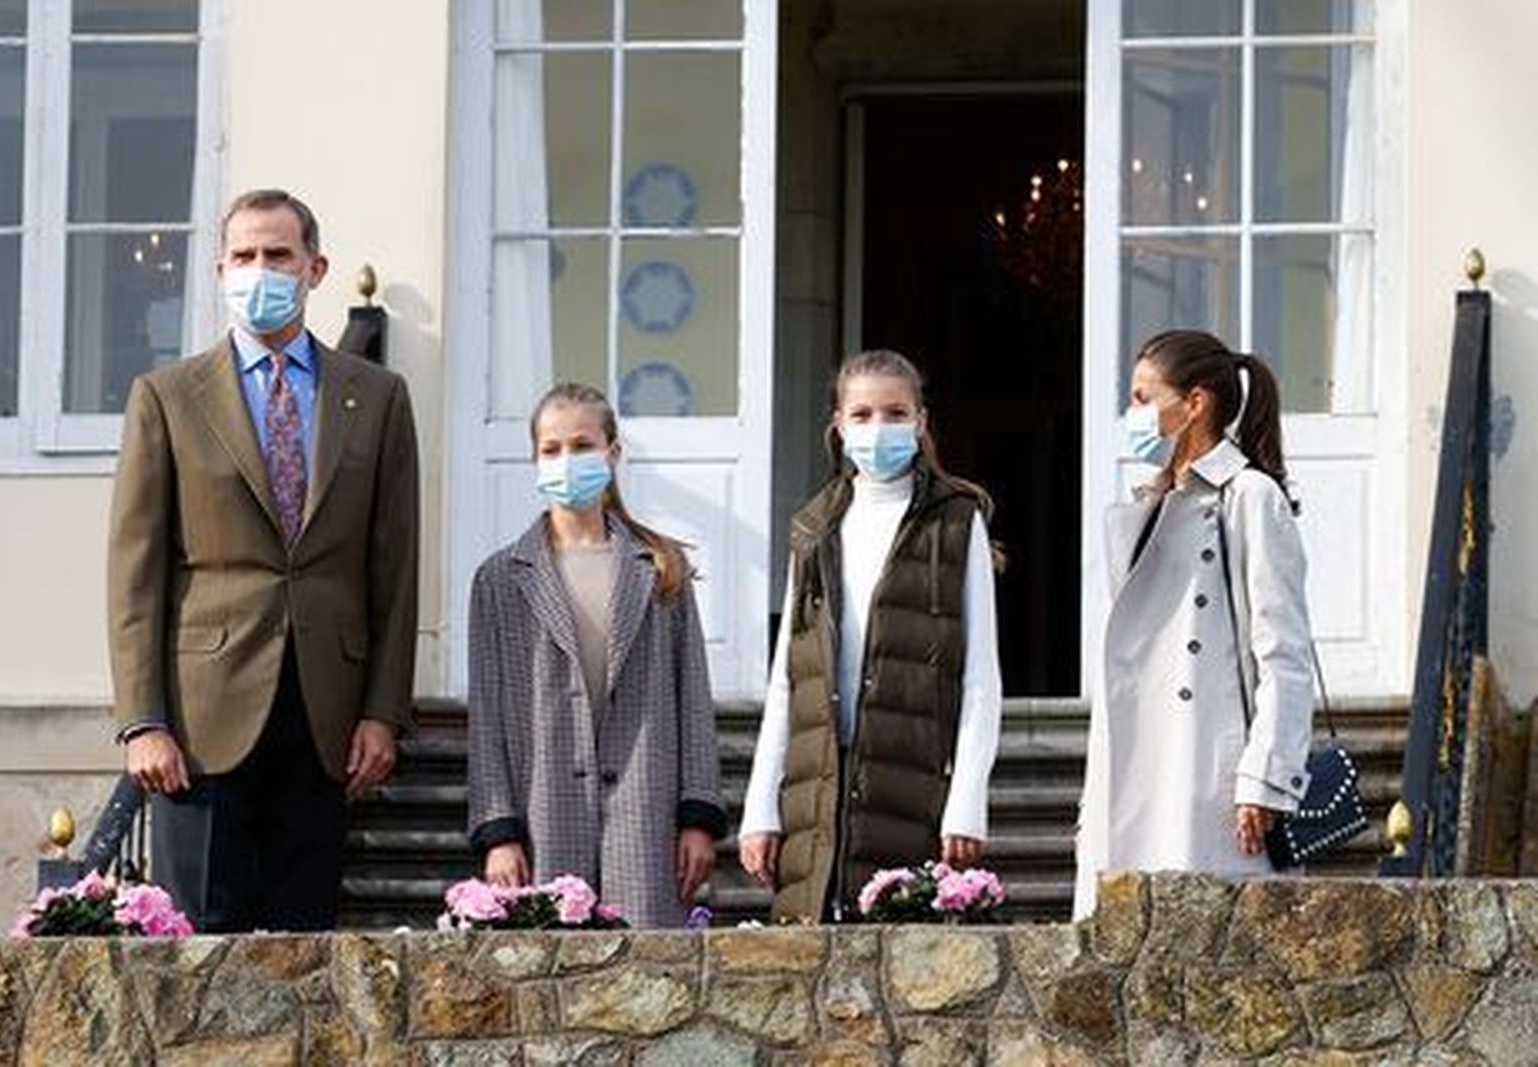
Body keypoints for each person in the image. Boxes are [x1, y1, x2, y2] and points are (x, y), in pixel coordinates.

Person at [108, 188, 420, 932]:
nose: (260, 269)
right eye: (244, 255)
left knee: (303, 947)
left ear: (315, 269)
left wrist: (383, 711)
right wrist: (142, 720)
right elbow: (136, 570)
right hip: (199, 718)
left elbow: (396, 569)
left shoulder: (375, 397)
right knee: (196, 946)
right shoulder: (168, 397)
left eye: (277, 254)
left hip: (324, 717)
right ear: (219, 270)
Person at [738, 349, 1004, 922]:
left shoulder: (957, 522)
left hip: (912, 781)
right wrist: (761, 808)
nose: (878, 428)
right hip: (819, 784)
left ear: (921, 421)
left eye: (894, 412)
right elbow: (790, 676)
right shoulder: (814, 527)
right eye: (861, 415)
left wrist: (967, 805)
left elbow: (981, 676)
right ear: (838, 424)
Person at [465, 383, 728, 927]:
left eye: (583, 446)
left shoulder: (659, 567)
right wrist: (499, 830)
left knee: (649, 981)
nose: (568, 460)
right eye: (552, 449)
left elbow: (693, 697)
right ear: (535, 460)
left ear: (613, 452)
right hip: (545, 813)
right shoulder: (500, 579)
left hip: (645, 814)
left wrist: (698, 815)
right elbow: (487, 717)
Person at [1073, 329, 1314, 920]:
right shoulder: (1149, 502)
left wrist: (1265, 777)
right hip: (1134, 767)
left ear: (1195, 403)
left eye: (1142, 397)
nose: (1131, 415)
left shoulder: (1250, 496)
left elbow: (1283, 650)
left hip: (1209, 768)